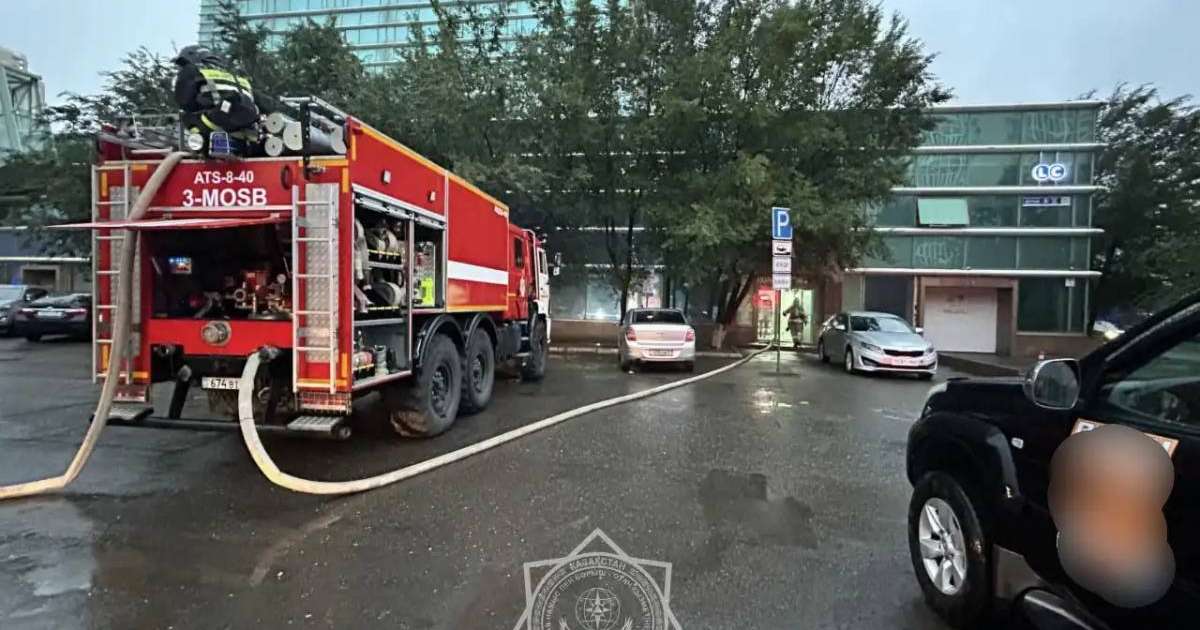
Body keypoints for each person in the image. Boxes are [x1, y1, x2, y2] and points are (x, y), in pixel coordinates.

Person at [172, 45, 260, 144]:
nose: (180, 68)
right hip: (246, 126)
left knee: (186, 115)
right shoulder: (233, 75)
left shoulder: (191, 70)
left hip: (216, 123)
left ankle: (199, 144)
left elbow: (184, 101)